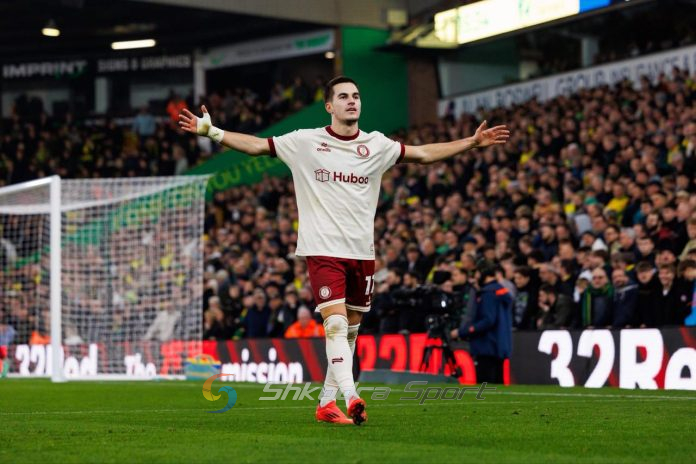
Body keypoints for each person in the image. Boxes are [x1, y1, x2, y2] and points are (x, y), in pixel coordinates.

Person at [179, 75, 509, 425]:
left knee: (350, 330)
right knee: (335, 325)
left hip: (362, 252)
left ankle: (326, 402)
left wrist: (471, 143)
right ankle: (351, 396)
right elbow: (258, 145)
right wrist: (212, 132)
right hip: (323, 248)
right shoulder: (305, 142)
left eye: (356, 96)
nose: (352, 101)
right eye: (343, 96)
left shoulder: (376, 145)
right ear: (329, 106)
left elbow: (424, 154)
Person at [450, 260, 513, 384]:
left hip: (486, 346)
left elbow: (488, 320)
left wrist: (463, 331)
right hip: (499, 345)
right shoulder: (501, 291)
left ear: (483, 273)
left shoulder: (488, 293)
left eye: (477, 273)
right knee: (497, 384)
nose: (475, 277)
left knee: (486, 385)